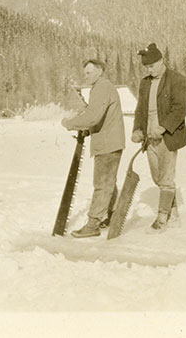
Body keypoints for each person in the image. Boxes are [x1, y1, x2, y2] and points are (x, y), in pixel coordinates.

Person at [61, 59, 125, 238]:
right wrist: (89, 130)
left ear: (99, 71)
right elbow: (99, 118)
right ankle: (110, 216)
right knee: (108, 182)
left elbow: (92, 116)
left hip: (107, 144)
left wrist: (70, 123)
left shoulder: (102, 87)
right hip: (108, 141)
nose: (85, 76)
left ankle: (93, 224)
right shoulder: (102, 87)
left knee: (102, 184)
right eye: (85, 73)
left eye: (89, 72)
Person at [132, 43, 186, 230]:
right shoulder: (145, 82)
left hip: (168, 135)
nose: (150, 70)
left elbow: (179, 109)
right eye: (146, 67)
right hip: (150, 135)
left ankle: (162, 218)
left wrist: (163, 127)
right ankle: (173, 216)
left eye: (152, 66)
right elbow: (140, 108)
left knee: (166, 177)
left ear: (161, 61)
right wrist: (138, 129)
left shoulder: (177, 80)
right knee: (157, 177)